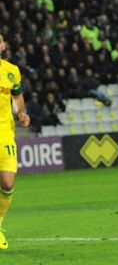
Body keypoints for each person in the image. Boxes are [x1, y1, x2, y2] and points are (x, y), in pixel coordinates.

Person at [0, 33, 31, 249]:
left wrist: (21, 113)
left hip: (4, 133)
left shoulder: (12, 71)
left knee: (8, 183)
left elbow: (17, 96)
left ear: (3, 45)